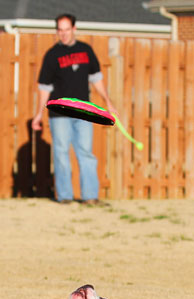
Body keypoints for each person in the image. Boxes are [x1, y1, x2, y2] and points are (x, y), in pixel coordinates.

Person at [31, 13, 116, 204]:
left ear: (74, 29)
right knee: (61, 153)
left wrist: (108, 102)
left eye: (67, 29)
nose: (63, 34)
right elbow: (44, 88)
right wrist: (38, 115)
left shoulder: (86, 50)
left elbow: (96, 79)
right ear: (57, 32)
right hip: (59, 112)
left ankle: (90, 197)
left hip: (83, 111)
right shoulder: (52, 55)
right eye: (60, 30)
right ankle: (65, 197)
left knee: (86, 152)